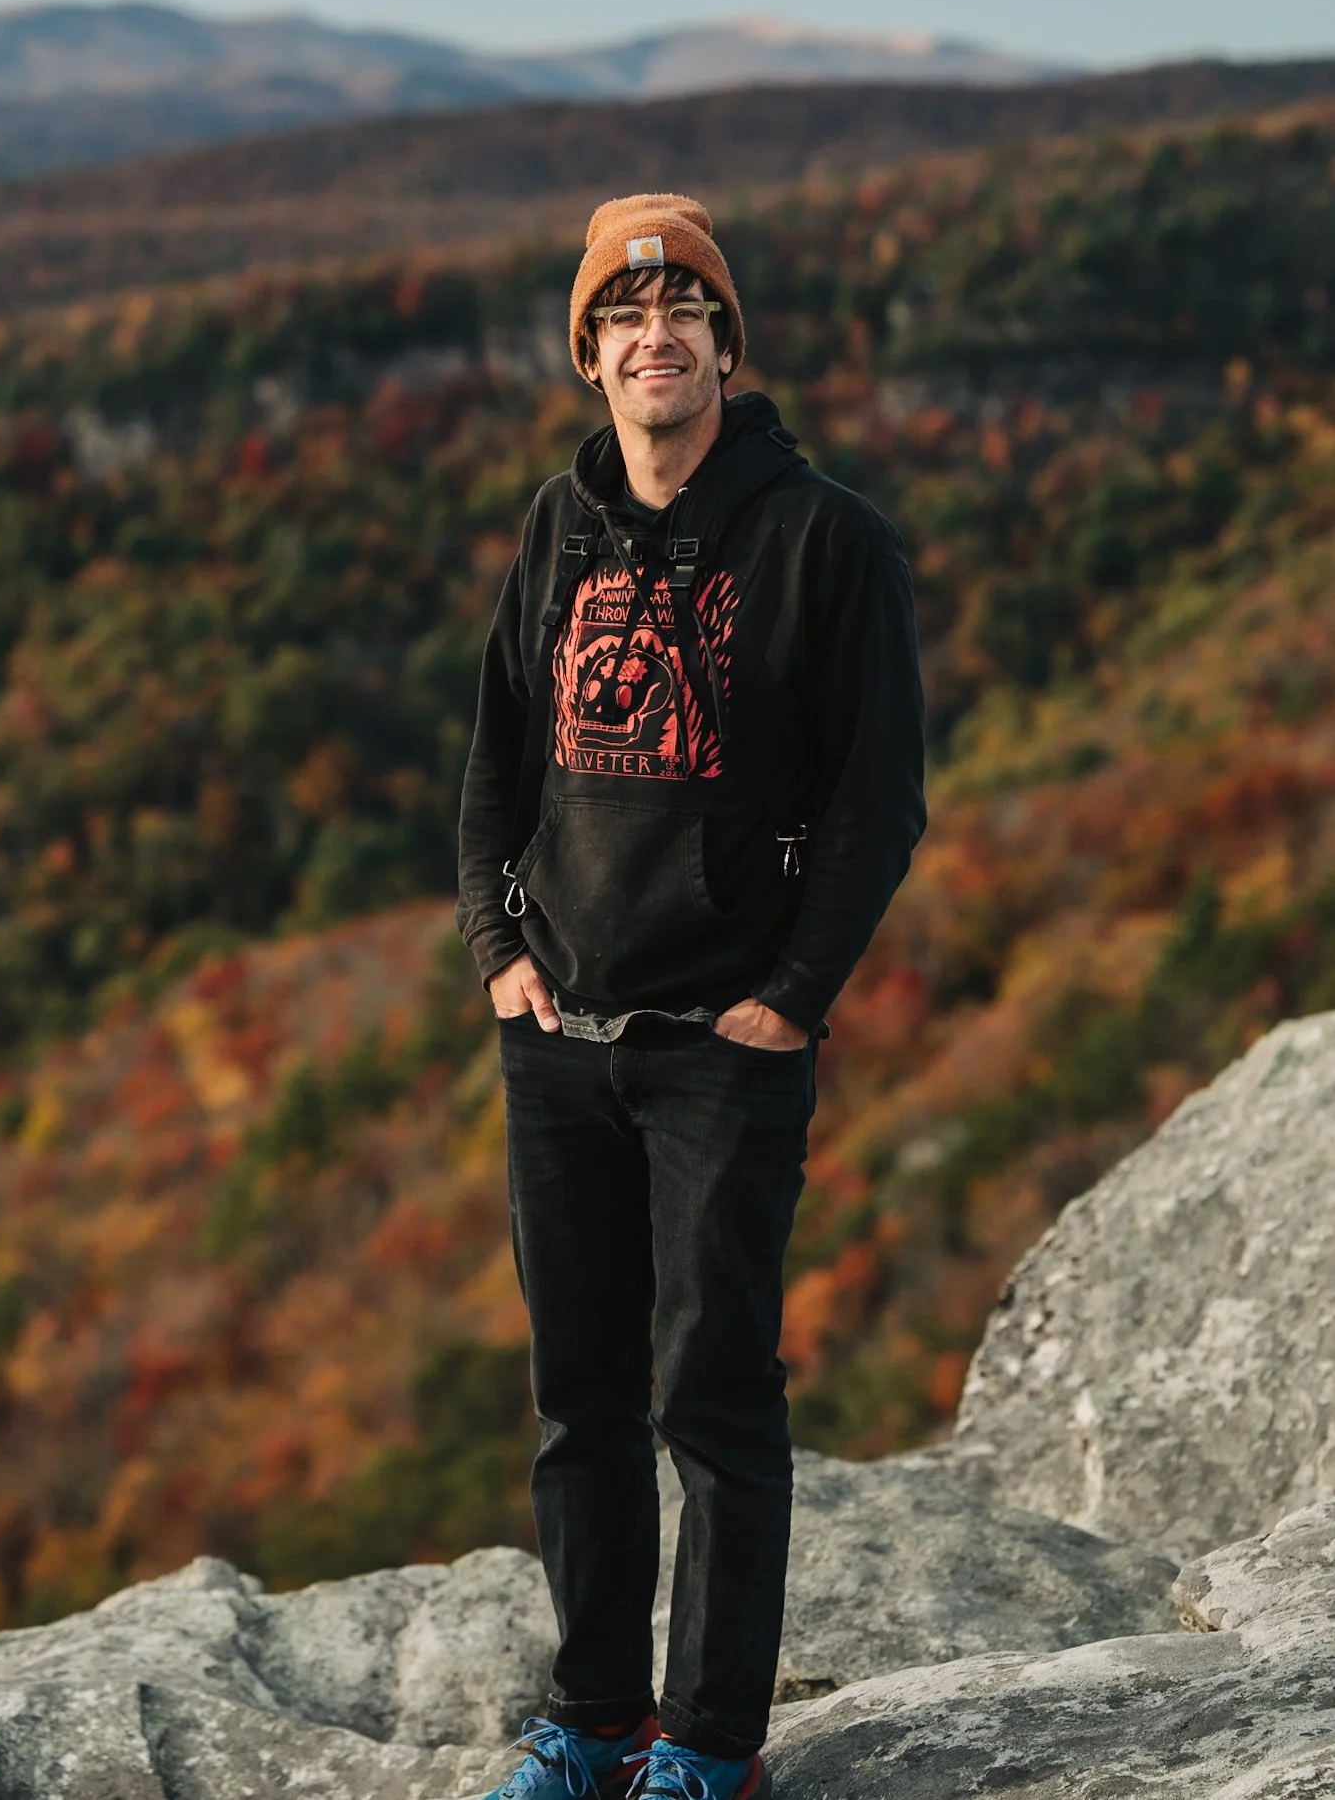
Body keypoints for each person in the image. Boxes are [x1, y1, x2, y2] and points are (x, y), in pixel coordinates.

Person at [456, 194, 926, 1800]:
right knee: (578, 1403)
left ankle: (707, 1745)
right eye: (624, 317)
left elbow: (881, 807)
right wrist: (496, 954)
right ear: (589, 355)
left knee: (711, 1399)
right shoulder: (554, 527)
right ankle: (591, 1720)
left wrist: (791, 1000)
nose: (656, 338)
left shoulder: (824, 540)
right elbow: (494, 764)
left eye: (687, 312)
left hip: (723, 1051)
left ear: (730, 343)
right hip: (560, 1041)